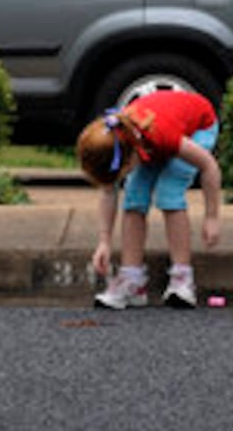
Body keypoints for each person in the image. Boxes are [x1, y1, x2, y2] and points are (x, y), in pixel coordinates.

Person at [76, 89, 222, 309]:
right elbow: (108, 191)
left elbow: (209, 165)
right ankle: (132, 280)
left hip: (198, 127)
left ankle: (182, 279)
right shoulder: (118, 142)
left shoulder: (163, 135)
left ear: (129, 160)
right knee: (134, 196)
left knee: (169, 191)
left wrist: (212, 217)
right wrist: (104, 242)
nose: (115, 182)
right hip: (152, 138)